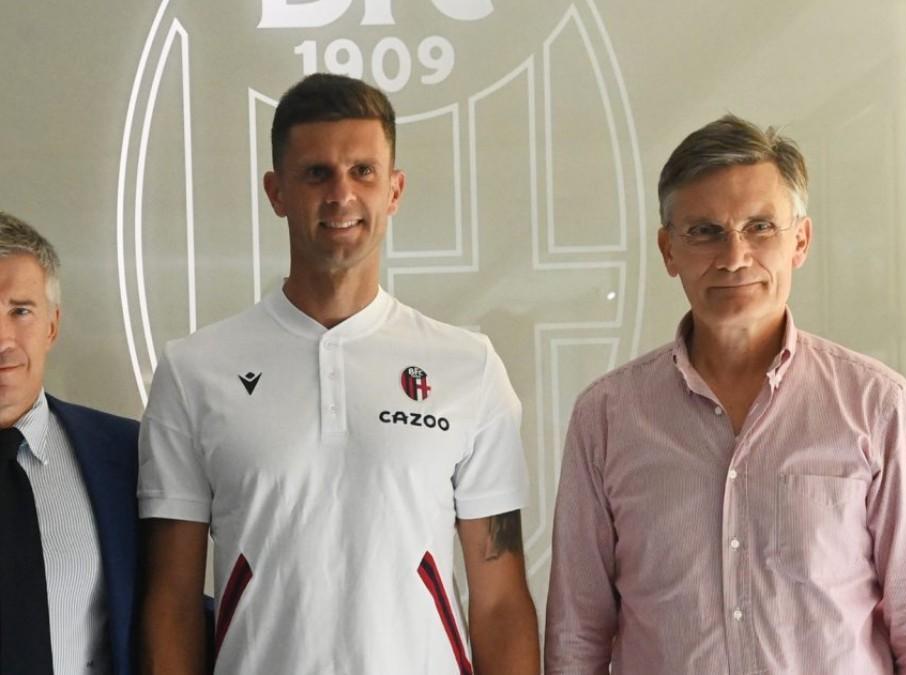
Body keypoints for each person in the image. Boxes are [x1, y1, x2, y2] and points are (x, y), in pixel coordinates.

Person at [139, 73, 539, 675]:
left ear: (395, 190)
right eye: (317, 173)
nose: (341, 195)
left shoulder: (469, 367)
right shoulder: (194, 370)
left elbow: (502, 603)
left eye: (363, 172)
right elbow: (170, 601)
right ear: (276, 192)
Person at [545, 115, 906, 673]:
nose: (735, 256)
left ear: (801, 241)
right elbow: (578, 633)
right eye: (705, 231)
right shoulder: (607, 416)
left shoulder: (876, 405)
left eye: (761, 227)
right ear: (669, 251)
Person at [0, 212, 140, 675]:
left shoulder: (123, 455)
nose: (2, 339)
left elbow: (166, 609)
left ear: (52, 326)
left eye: (20, 311)